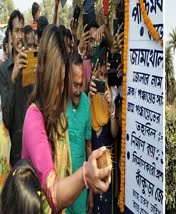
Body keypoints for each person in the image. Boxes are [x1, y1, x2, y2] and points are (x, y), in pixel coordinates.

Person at [22, 24, 111, 213]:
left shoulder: (58, 117)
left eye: (63, 83)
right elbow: (53, 193)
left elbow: (68, 170)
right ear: (46, 77)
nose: (62, 90)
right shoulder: (33, 118)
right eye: (58, 82)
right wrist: (86, 174)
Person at [0, 10, 33, 167]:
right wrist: (13, 77)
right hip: (13, 155)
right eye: (16, 31)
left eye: (22, 30)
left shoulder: (31, 64)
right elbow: (6, 117)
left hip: (31, 149)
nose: (20, 36)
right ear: (10, 35)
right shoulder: (4, 71)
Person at [89, 46, 118, 214]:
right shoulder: (89, 98)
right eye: (99, 75)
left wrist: (111, 108)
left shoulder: (111, 94)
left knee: (107, 204)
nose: (102, 79)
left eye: (105, 76)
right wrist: (89, 96)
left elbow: (114, 133)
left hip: (107, 163)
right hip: (92, 162)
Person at [66, 52, 92, 214]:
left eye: (81, 85)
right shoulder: (59, 103)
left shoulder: (87, 105)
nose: (77, 90)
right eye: (74, 85)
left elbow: (88, 146)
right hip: (61, 185)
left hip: (81, 188)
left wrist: (90, 192)